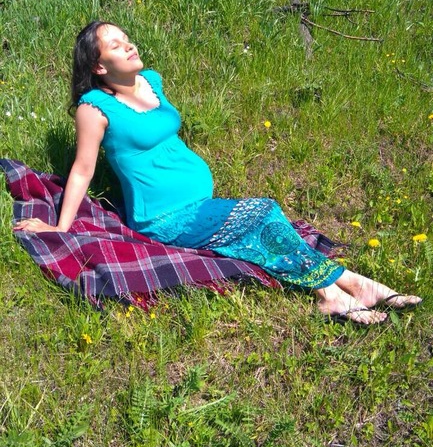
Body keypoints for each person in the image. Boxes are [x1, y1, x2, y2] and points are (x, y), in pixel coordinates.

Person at [15, 21, 422, 325]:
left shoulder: (150, 82)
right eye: (116, 45)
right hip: (164, 217)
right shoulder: (94, 108)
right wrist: (61, 228)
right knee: (263, 213)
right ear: (99, 66)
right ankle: (344, 287)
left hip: (200, 201)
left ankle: (339, 289)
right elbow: (83, 170)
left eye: (127, 38)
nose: (129, 45)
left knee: (258, 229)